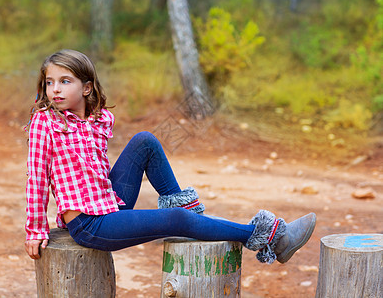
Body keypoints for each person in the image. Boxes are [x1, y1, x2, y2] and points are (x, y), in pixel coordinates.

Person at [24, 49, 316, 265]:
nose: (55, 89)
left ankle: (193, 222)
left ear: (86, 88)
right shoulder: (46, 122)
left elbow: (97, 172)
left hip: (110, 205)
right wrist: (35, 229)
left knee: (145, 141)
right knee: (176, 218)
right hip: (89, 225)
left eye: (65, 81)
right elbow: (37, 177)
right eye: (50, 82)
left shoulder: (98, 122)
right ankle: (274, 238)